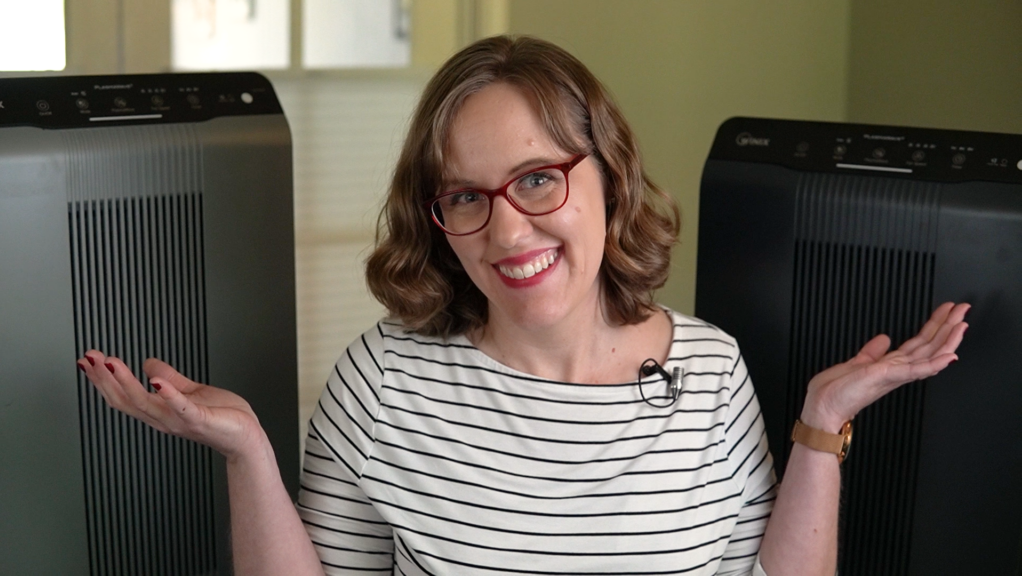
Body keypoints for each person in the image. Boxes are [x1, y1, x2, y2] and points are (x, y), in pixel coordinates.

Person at [78, 35, 968, 575]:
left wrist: (821, 424)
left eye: (538, 179)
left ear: (608, 180)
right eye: (465, 196)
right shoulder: (384, 380)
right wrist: (247, 457)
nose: (506, 231)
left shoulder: (712, 369)